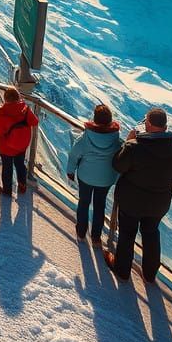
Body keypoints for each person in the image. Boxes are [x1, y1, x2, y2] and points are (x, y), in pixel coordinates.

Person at [104, 107, 172, 284]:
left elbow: (118, 165)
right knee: (151, 233)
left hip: (131, 201)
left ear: (149, 124)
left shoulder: (134, 147)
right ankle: (150, 274)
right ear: (165, 127)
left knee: (127, 234)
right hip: (158, 204)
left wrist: (127, 143)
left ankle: (122, 270)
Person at [66, 104, 121, 243]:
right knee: (100, 204)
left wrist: (70, 172)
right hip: (106, 179)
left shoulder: (85, 138)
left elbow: (74, 155)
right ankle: (96, 237)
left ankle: (81, 232)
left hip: (86, 177)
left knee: (84, 202)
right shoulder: (117, 141)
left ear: (94, 119)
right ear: (110, 121)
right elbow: (121, 160)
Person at [0, 87, 37, 197]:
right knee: (20, 164)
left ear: (5, 99)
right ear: (18, 97)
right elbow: (35, 121)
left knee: (7, 168)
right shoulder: (25, 110)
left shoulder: (4, 114)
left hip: (6, 147)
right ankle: (22, 184)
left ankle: (7, 190)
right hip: (22, 145)